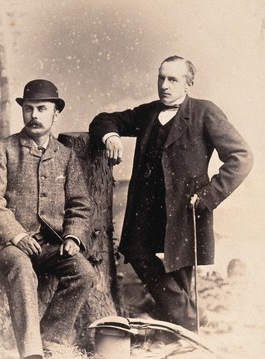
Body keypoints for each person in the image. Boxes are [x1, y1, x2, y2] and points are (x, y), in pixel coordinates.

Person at [89, 55, 253, 332]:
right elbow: (104, 119)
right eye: (161, 78)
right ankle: (192, 320)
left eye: (173, 79)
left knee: (181, 268)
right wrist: (111, 136)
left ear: (188, 84)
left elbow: (242, 156)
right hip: (147, 207)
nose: (164, 85)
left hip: (185, 207)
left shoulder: (204, 113)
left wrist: (209, 195)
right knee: (136, 252)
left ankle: (180, 331)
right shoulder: (149, 113)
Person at [0, 79, 95, 359]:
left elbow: (80, 204)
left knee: (83, 272)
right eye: (28, 108)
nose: (34, 115)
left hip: (49, 243)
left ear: (55, 113)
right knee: (21, 266)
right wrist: (17, 236)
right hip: (7, 242)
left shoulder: (66, 156)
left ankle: (51, 342)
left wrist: (72, 236)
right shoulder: (2, 150)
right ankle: (31, 356)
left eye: (42, 109)